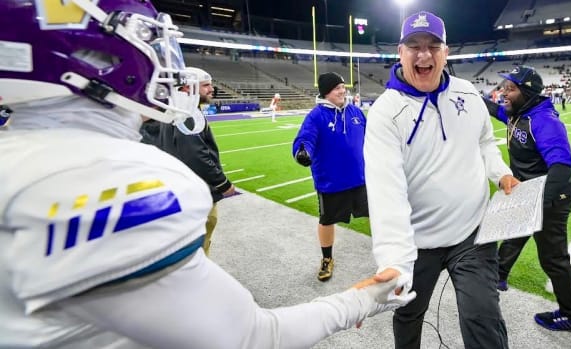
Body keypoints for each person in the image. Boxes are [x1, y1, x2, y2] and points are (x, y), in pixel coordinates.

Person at [0, 1, 416, 348]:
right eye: (146, 39)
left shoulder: (22, 160)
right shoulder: (104, 181)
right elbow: (253, 336)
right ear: (91, 57)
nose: (162, 58)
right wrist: (364, 300)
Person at [363, 11, 520, 348]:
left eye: (433, 46)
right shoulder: (385, 112)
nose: (424, 54)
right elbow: (385, 192)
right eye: (414, 46)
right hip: (417, 244)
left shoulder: (466, 93)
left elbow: (484, 142)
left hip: (472, 235)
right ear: (400, 52)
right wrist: (394, 261)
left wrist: (502, 174)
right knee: (408, 315)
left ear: (445, 52)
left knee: (483, 318)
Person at [483, 65, 571, 333]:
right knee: (513, 234)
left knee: (553, 259)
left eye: (511, 88)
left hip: (552, 196)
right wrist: (465, 95)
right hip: (529, 192)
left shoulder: (544, 121)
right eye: (503, 87)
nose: (503, 93)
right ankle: (498, 277)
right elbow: (495, 110)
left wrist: (537, 202)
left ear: (527, 92)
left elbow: (562, 168)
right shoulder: (519, 113)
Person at [141, 67, 235, 256]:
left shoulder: (172, 111)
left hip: (177, 188)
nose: (211, 89)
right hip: (196, 191)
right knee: (199, 244)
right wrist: (222, 183)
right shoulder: (187, 113)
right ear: (187, 88)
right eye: (206, 85)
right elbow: (196, 154)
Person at [292, 72, 368, 282]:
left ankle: (387, 251)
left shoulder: (355, 112)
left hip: (360, 179)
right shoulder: (316, 116)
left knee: (377, 214)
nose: (342, 91)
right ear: (326, 92)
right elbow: (305, 138)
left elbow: (371, 136)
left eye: (343, 87)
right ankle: (327, 259)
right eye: (337, 88)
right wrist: (302, 151)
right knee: (327, 221)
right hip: (331, 182)